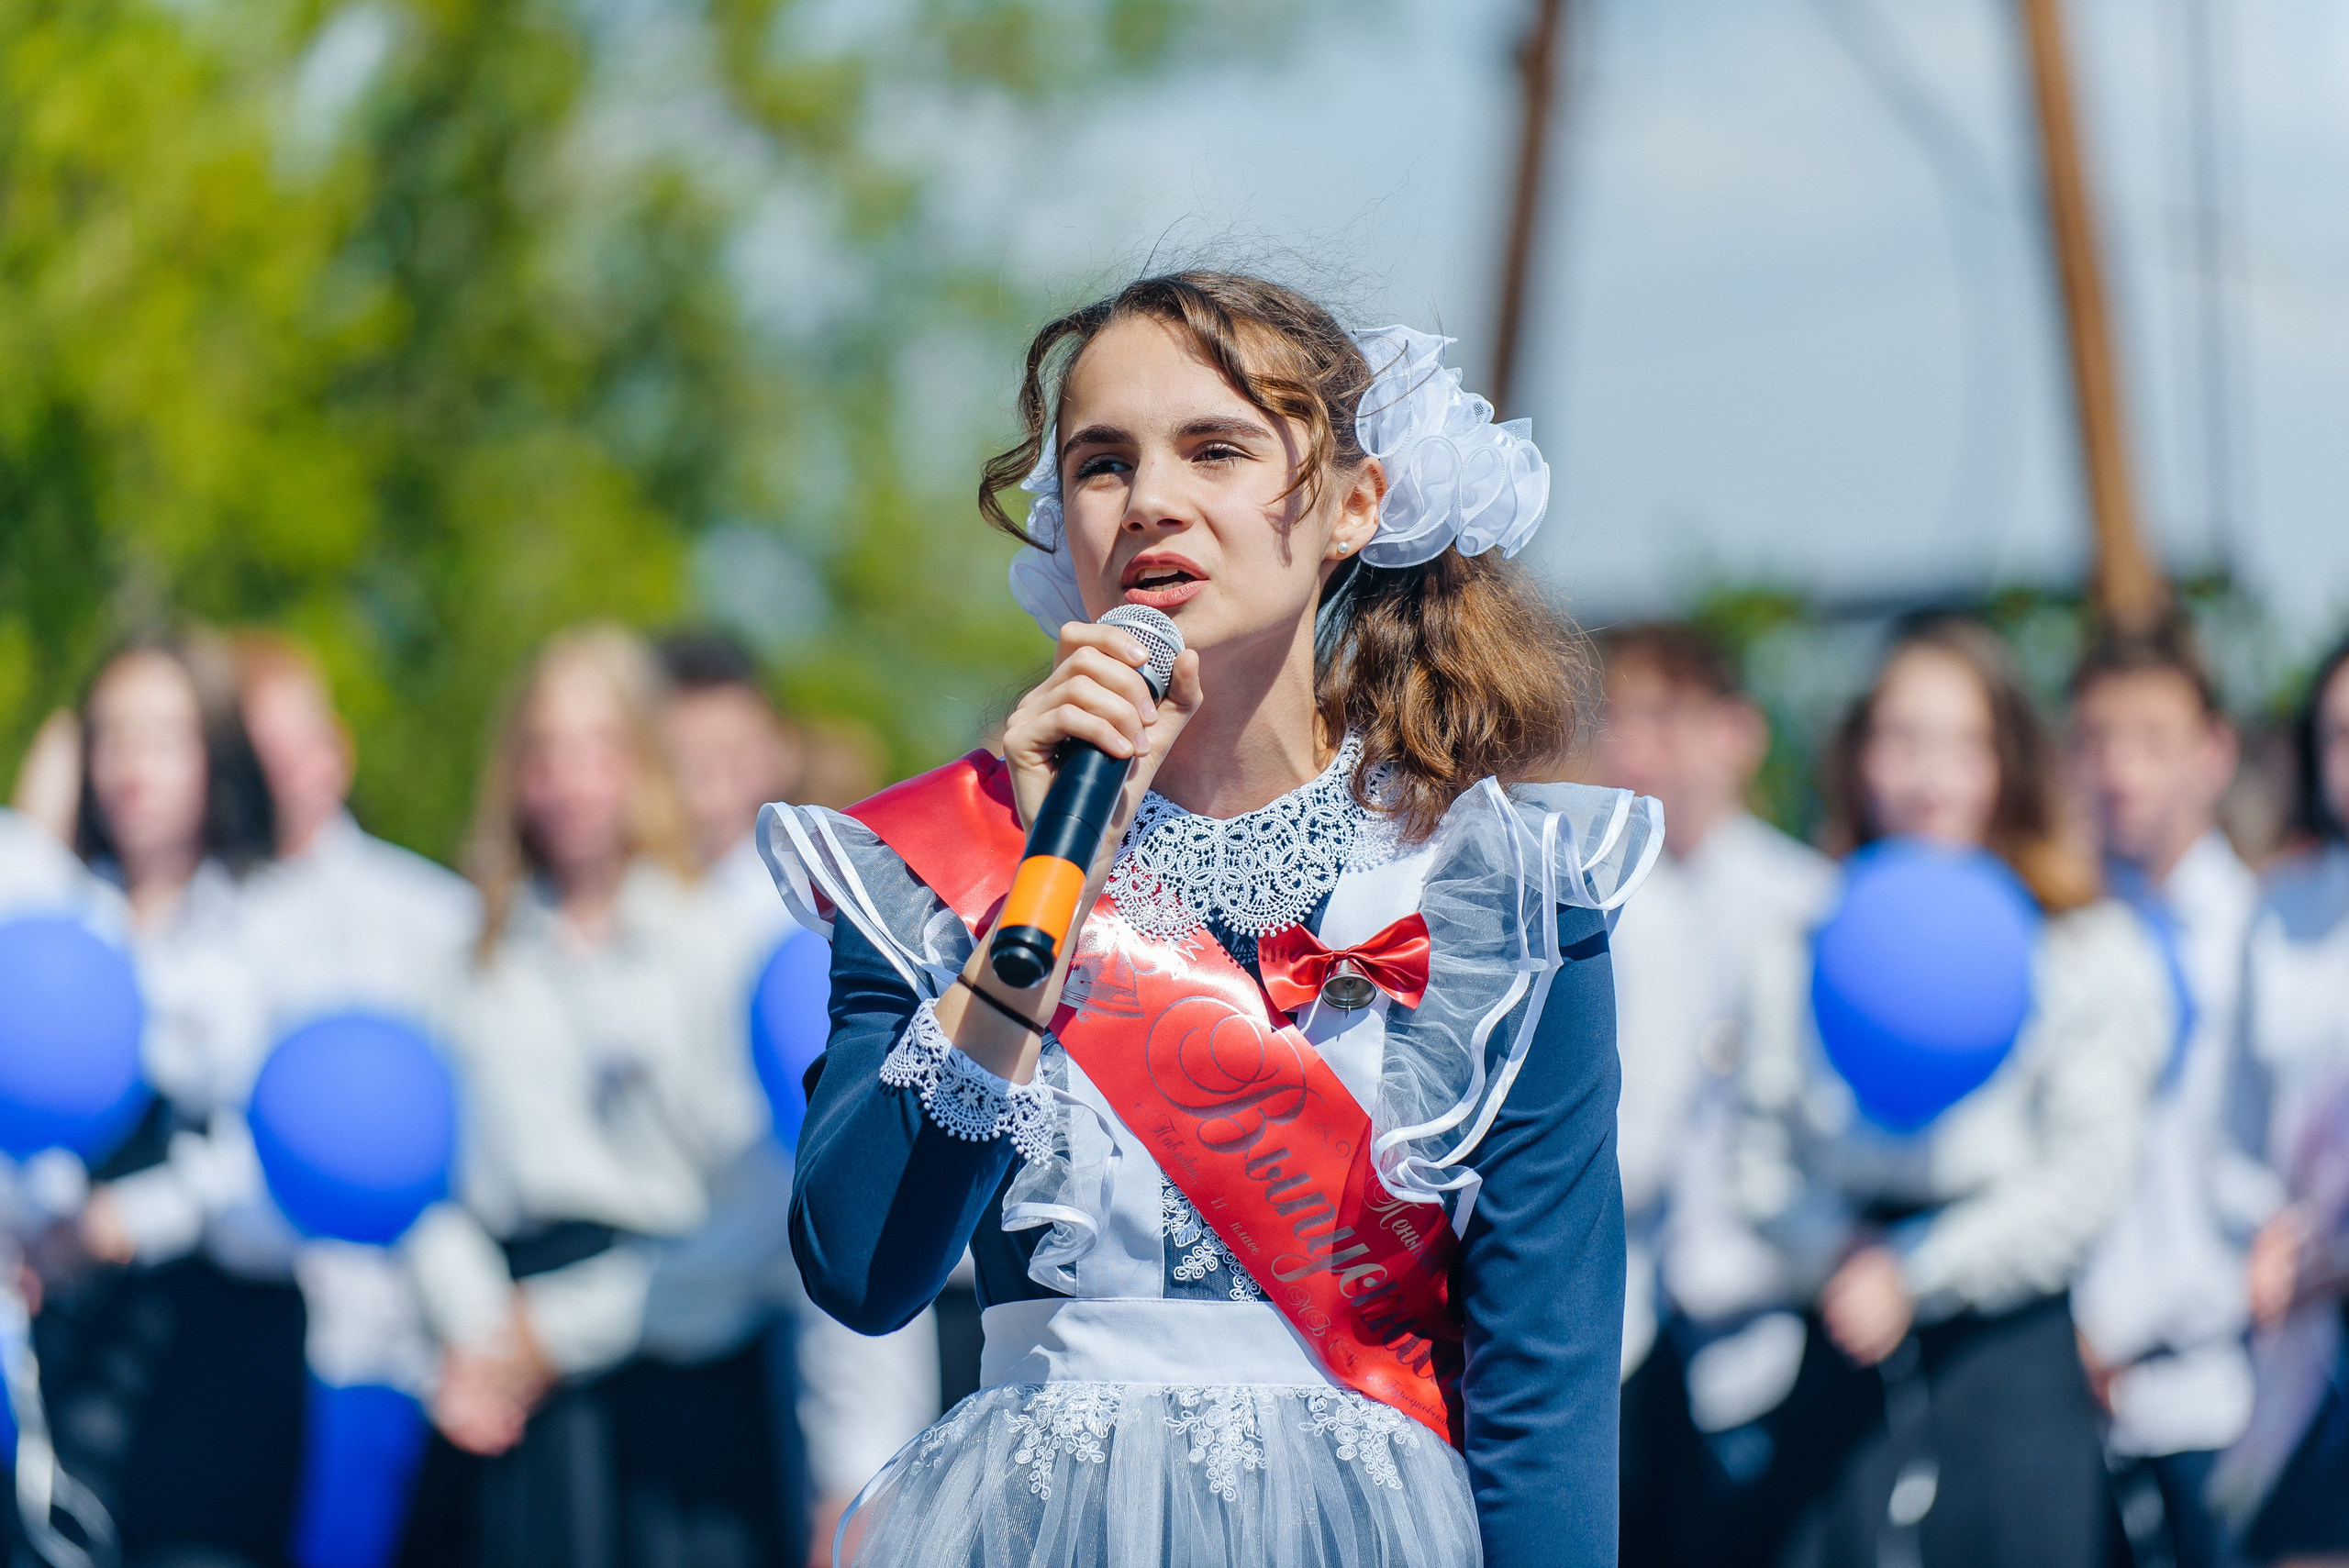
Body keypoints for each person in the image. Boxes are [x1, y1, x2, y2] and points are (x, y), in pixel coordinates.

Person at [765, 272, 1659, 1567]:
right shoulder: (941, 862)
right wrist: (1037, 891)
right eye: (1101, 463)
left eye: (1218, 448)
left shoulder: (1495, 891)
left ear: (1357, 503)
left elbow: (1545, 1396)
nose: (1153, 503)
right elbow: (861, 1266)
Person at [1735, 617, 2170, 1568]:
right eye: (1901, 737)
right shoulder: (1802, 942)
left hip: (2009, 1372)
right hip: (1841, 1355)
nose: (1928, 774)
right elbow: (1757, 1160)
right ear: (1856, 753)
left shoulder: (2087, 948)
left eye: (1961, 742)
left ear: (2007, 758)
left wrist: (1914, 1272)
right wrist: (1833, 1250)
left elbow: (2077, 1186)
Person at [396, 626, 790, 1568]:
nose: (568, 779)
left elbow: (757, 1208)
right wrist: (480, 1328)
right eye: (544, 750)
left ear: (640, 764)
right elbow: (424, 1176)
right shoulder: (470, 958)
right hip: (507, 1375)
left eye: (595, 748)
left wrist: (563, 1328)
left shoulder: (708, 945)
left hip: (668, 1379)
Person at [656, 629, 941, 1563]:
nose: (704, 787)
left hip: (829, 1343)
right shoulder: (638, 918)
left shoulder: (813, 930)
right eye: (678, 761)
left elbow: (846, 1200)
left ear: (778, 750)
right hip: (679, 1334)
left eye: (729, 758)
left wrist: (854, 1469)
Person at [47, 633, 305, 1567]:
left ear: (217, 755)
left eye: (162, 736)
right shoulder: (56, 912)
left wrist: (135, 1216)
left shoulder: (272, 920)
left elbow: (287, 1151)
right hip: (70, 1339)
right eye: (109, 735)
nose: (130, 764)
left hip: (218, 1348)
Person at [228, 632, 481, 1568]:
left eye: (286, 746)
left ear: (334, 748)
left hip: (385, 1354)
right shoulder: (205, 916)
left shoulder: (433, 917)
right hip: (226, 1340)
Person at [1590, 624, 1833, 1568]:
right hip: (1626, 1320)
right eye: (1619, 718)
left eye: (1663, 716)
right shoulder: (1592, 903)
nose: (1633, 746)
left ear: (1735, 732)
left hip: (1770, 1310)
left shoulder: (1803, 900)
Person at [2062, 627, 2264, 1568]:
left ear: (2213, 752)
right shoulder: (2064, 938)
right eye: (2095, 739)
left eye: (2149, 737)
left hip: (2231, 1394)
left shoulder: (2273, 942)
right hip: (2081, 1406)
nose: (2118, 770)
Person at [2210, 631, 2349, 1562]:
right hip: (2310, 1348)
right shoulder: (2279, 913)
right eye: (2341, 732)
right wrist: (2266, 1237)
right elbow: (2234, 1129)